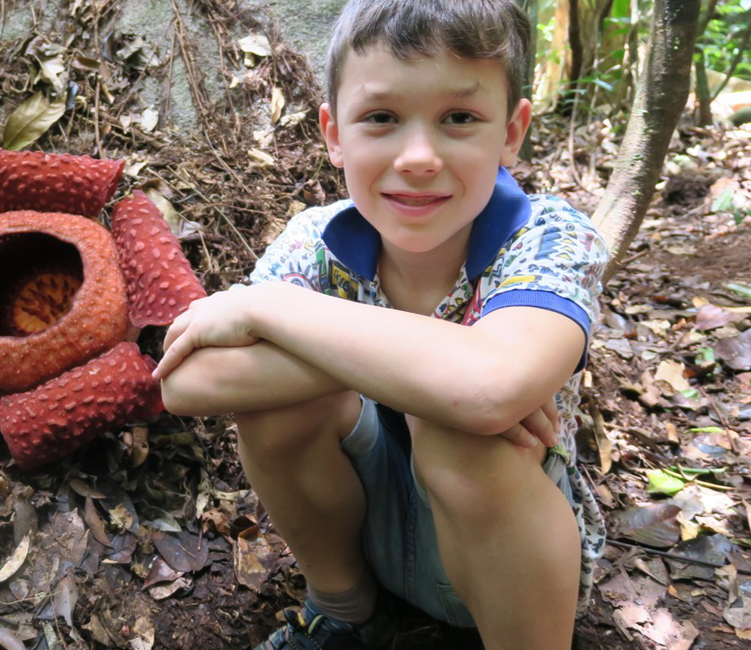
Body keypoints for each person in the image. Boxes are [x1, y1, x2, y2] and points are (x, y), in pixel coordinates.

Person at [151, 1, 609, 648]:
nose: (418, 156)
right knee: (297, 408)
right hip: (371, 539)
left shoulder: (549, 237)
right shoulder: (317, 240)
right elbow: (188, 384)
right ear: (334, 133)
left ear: (511, 131)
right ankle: (345, 614)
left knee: (459, 434)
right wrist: (437, 371)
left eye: (459, 118)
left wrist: (269, 310)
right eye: (382, 118)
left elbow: (490, 386)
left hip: (505, 570)